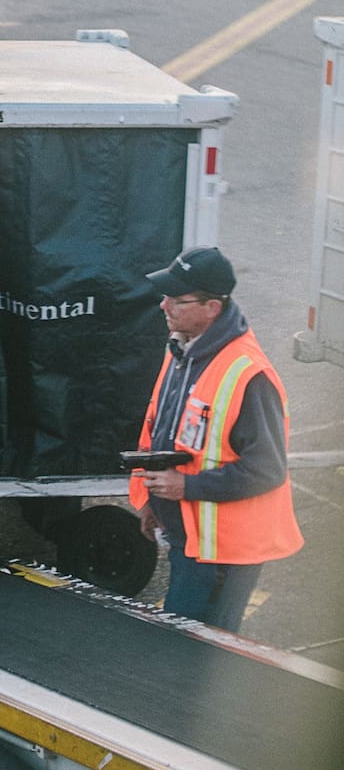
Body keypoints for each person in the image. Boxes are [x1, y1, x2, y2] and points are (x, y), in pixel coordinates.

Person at [129, 246, 303, 632]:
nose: (163, 306)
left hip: (223, 554)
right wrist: (155, 502)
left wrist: (185, 487)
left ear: (212, 307)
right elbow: (171, 435)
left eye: (177, 299)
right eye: (165, 296)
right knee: (184, 647)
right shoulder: (183, 349)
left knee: (200, 652)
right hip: (191, 541)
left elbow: (267, 470)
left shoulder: (249, 375)